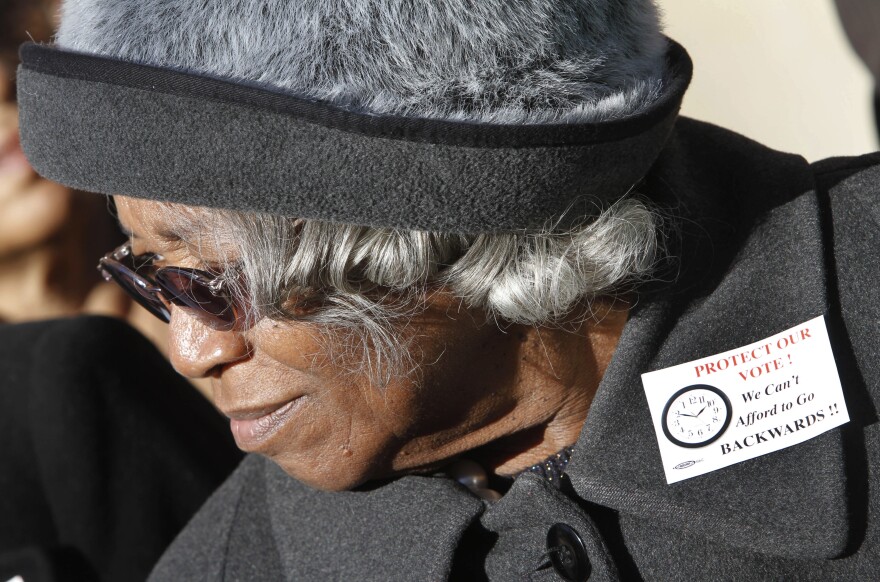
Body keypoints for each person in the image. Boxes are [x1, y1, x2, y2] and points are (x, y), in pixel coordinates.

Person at [14, 0, 880, 580]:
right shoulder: (252, 557)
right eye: (146, 275)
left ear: (443, 236)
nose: (190, 351)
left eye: (209, 284)